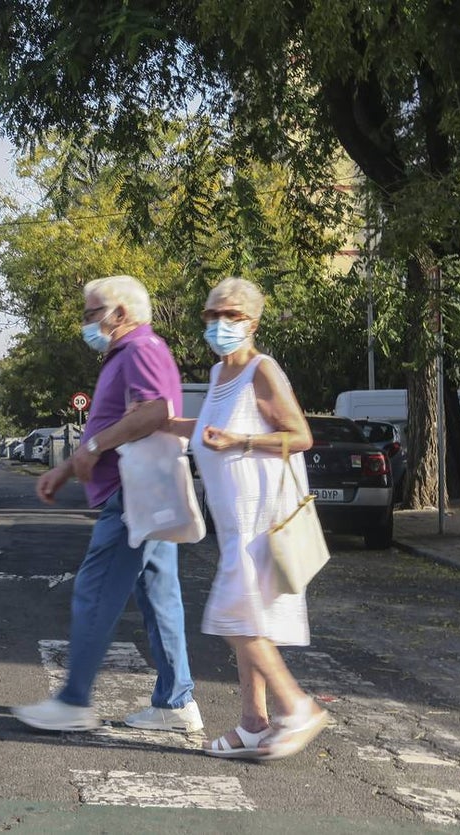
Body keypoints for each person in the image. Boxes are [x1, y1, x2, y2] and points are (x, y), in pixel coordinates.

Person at [12, 275, 201, 733]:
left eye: (91, 312)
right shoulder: (129, 352)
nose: (86, 322)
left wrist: (94, 447)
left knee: (95, 591)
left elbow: (155, 411)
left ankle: (74, 701)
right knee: (159, 597)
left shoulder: (141, 348)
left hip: (133, 494)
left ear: (120, 313)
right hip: (142, 491)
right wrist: (64, 468)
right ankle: (175, 703)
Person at [165, 276, 329, 761]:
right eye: (212, 315)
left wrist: (241, 443)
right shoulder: (219, 376)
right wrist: (164, 424)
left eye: (231, 315)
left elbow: (299, 435)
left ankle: (297, 706)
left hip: (262, 522)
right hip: (235, 525)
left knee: (235, 620)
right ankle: (253, 724)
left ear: (253, 321)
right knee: (248, 621)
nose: (219, 323)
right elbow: (218, 426)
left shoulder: (263, 369)